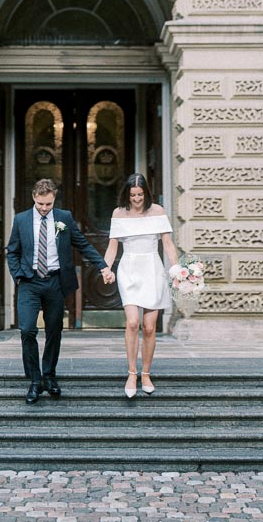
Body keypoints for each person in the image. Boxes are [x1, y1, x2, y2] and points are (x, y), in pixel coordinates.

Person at [6, 177, 115, 404]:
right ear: (34, 198)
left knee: (54, 330)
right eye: (41, 204)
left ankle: (49, 375)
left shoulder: (64, 218)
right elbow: (12, 251)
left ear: (54, 199)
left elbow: (82, 243)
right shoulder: (21, 220)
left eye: (49, 204)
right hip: (30, 282)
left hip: (55, 282)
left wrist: (103, 266)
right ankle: (35, 381)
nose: (45, 209)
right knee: (27, 330)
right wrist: (18, 276)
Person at [102, 171, 179, 399]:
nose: (136, 199)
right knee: (133, 322)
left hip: (152, 269)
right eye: (133, 195)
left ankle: (146, 373)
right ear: (127, 194)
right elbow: (112, 247)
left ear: (147, 193)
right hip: (129, 269)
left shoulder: (157, 211)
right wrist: (105, 268)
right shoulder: (119, 213)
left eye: (140, 195)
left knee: (149, 327)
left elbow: (168, 244)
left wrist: (177, 269)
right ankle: (131, 373)